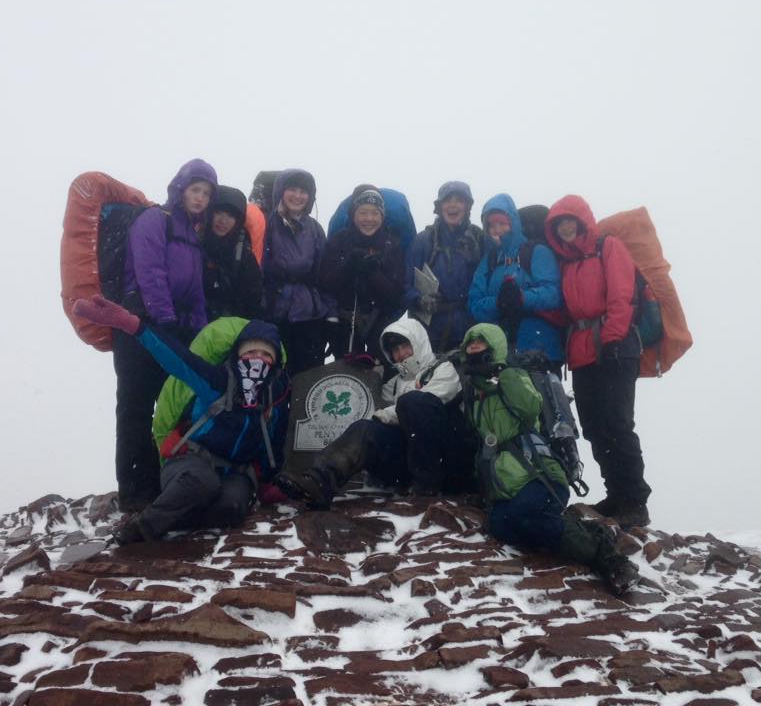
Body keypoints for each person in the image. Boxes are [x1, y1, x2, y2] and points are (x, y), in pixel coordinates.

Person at [73, 295, 290, 543]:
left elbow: (273, 442)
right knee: (201, 484)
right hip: (189, 460)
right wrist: (133, 325)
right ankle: (141, 528)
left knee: (231, 507)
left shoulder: (274, 398)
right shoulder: (218, 382)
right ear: (237, 356)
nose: (258, 359)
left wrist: (266, 483)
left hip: (234, 472)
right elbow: (177, 359)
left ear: (276, 363)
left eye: (266, 354)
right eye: (250, 351)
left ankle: (183, 520)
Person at [459, 323, 639, 596]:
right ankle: (575, 532)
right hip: (505, 483)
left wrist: (502, 373)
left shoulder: (513, 376)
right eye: (469, 344)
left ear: (494, 347)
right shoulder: (474, 392)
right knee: (503, 526)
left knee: (526, 514)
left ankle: (605, 553)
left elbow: (530, 408)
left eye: (480, 343)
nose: (473, 348)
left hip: (539, 473)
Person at [275, 315, 475, 508]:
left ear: (419, 343)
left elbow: (432, 400)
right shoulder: (394, 383)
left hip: (447, 463)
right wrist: (366, 374)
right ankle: (320, 482)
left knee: (412, 402)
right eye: (395, 350)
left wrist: (384, 415)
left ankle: (428, 487)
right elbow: (375, 407)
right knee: (365, 429)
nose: (400, 354)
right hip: (410, 466)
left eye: (405, 346)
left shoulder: (443, 369)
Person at [543, 195, 652, 528]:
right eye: (559, 223)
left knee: (618, 424)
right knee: (594, 428)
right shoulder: (567, 264)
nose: (565, 227)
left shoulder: (609, 247)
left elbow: (623, 295)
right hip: (582, 352)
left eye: (569, 220)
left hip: (615, 348)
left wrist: (614, 338)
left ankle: (634, 501)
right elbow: (566, 311)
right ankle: (615, 495)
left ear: (581, 220)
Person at [114, 158, 216, 512]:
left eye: (206, 193)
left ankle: (160, 482)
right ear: (180, 189)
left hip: (174, 330)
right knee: (136, 407)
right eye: (195, 190)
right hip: (139, 328)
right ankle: (133, 491)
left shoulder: (192, 234)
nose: (200, 198)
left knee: (169, 409)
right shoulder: (155, 220)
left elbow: (197, 290)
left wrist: (200, 334)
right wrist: (165, 319)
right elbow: (149, 273)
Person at [467, 194, 564, 365]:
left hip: (539, 347)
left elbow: (554, 294)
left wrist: (521, 297)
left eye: (502, 224)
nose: (497, 230)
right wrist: (499, 302)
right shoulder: (488, 261)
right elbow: (474, 304)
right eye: (492, 225)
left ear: (513, 223)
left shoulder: (536, 251)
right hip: (499, 349)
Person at [320, 185, 405, 362]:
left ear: (382, 216)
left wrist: (373, 273)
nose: (369, 219)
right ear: (353, 215)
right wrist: (349, 264)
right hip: (344, 326)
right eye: (363, 212)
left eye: (375, 213)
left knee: (382, 376)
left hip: (380, 324)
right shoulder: (338, 242)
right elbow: (325, 283)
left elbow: (396, 295)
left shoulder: (392, 245)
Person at [262, 168, 331, 376]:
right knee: (274, 375)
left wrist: (330, 313)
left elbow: (324, 276)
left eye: (304, 191)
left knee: (306, 379)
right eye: (292, 189)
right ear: (281, 190)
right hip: (273, 311)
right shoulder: (266, 223)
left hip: (309, 314)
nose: (298, 196)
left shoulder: (315, 230)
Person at [404, 181, 484, 353]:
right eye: (447, 200)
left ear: (468, 206)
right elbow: (405, 285)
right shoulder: (422, 241)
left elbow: (491, 281)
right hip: (429, 333)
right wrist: (419, 299)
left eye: (459, 200)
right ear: (439, 207)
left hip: (471, 330)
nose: (453, 205)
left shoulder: (479, 239)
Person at [202, 185, 263, 321]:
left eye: (231, 216)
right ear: (210, 212)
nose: (223, 221)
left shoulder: (244, 256)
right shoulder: (194, 244)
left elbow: (253, 301)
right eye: (219, 213)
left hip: (230, 329)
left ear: (238, 221)